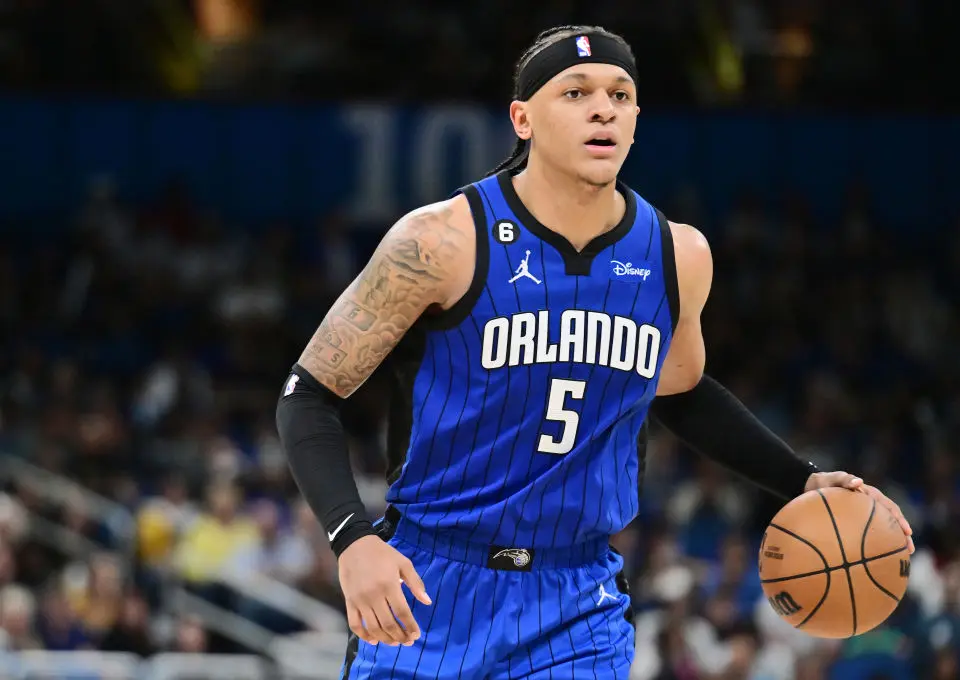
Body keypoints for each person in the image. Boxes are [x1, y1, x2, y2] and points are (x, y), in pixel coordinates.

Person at [276, 24, 915, 679]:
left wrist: (799, 478)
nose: (603, 108)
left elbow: (683, 392)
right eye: (575, 92)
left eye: (620, 94)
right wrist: (351, 539)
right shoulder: (441, 241)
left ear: (636, 120)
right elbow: (308, 395)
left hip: (575, 600)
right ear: (522, 118)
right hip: (429, 581)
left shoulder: (678, 255)